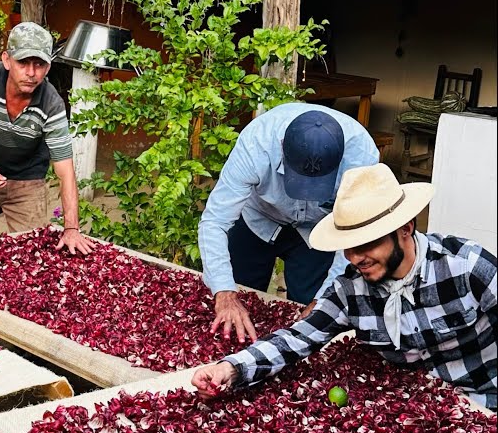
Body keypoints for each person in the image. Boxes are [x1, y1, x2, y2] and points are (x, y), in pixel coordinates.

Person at [192, 162, 495, 411]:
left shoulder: (466, 267)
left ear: (405, 228)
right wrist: (229, 369)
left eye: (368, 243)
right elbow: (296, 339)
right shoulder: (350, 290)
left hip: (485, 401)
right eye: (349, 246)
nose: (355, 257)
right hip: (413, 410)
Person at [198, 103, 379, 342]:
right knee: (242, 297)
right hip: (259, 218)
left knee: (313, 313)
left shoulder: (361, 159)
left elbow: (353, 234)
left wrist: (324, 299)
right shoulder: (257, 145)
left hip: (318, 229)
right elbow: (215, 220)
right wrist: (225, 293)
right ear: (282, 147)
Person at [0, 22, 94, 254]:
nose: (31, 73)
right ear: (7, 60)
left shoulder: (52, 105)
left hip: (27, 181)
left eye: (39, 64)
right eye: (23, 62)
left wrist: (71, 228)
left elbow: (65, 170)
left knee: (29, 254)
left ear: (48, 67)